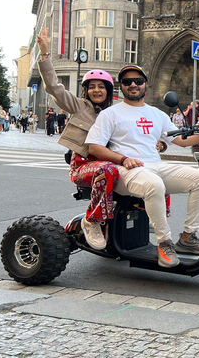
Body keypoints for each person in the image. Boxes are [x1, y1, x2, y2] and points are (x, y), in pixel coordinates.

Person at [86, 65, 199, 268]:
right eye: (127, 81)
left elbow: (181, 140)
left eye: (138, 81)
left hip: (154, 166)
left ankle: (187, 238)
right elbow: (94, 147)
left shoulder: (157, 114)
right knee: (154, 184)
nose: (133, 85)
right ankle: (164, 242)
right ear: (121, 87)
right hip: (126, 171)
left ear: (146, 84)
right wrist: (122, 159)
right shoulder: (110, 114)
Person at [35, 27, 129, 250]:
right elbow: (54, 88)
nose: (97, 90)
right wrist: (45, 54)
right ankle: (92, 221)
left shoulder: (116, 113)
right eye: (92, 87)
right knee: (106, 169)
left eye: (101, 87)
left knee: (152, 171)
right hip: (84, 166)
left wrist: (160, 142)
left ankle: (151, 220)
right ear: (86, 91)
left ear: (109, 90)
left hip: (110, 163)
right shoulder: (79, 106)